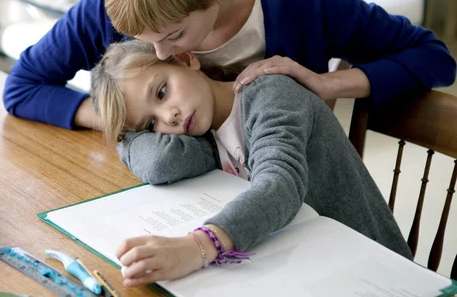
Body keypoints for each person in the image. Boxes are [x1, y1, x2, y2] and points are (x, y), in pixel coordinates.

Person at [2, 0, 456, 176]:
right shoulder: (119, 5)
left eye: (175, 35)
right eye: (148, 41)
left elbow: (433, 57)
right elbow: (22, 87)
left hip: (291, 198)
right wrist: (125, 119)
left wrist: (327, 84)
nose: (162, 53)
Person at [90, 39, 412, 287]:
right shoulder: (202, 137)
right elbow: (161, 162)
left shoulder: (271, 94)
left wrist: (198, 247)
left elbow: (282, 186)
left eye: (162, 92)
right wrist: (125, 136)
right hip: (305, 265)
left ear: (186, 59)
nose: (169, 117)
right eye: (150, 125)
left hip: (374, 270)